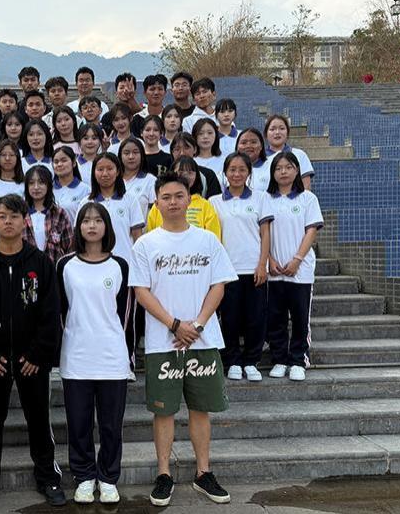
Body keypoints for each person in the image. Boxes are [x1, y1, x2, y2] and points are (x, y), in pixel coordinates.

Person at [129, 170, 237, 507]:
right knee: (163, 411)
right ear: (156, 203)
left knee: (201, 409)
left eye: (179, 196)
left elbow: (219, 285)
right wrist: (175, 324)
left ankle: (204, 472)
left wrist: (198, 325)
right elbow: (141, 292)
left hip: (203, 341)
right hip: (164, 343)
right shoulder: (146, 244)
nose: (173, 202)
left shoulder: (207, 240)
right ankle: (164, 474)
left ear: (190, 199)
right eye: (166, 197)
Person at [0, 194, 65, 510]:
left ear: (24, 221)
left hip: (31, 360)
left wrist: (37, 354)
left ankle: (48, 477)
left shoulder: (40, 263)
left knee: (39, 420)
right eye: (2, 216)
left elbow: (51, 312)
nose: (8, 221)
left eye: (14, 216)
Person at [57, 202, 131, 505]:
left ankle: (109, 478)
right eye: (86, 220)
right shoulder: (65, 265)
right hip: (76, 357)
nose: (91, 225)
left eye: (98, 220)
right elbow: (60, 310)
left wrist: (126, 353)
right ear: (78, 227)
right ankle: (85, 477)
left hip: (112, 356)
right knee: (79, 423)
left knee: (111, 425)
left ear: (106, 226)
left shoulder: (120, 265)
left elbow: (126, 315)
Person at [209, 153, 273, 382]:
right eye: (232, 170)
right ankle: (233, 361)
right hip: (227, 271)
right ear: (225, 173)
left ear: (249, 173)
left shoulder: (260, 198)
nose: (236, 174)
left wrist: (263, 264)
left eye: (242, 170)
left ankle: (251, 361)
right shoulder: (214, 201)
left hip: (253, 268)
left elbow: (265, 233)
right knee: (230, 318)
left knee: (256, 317)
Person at [266, 152, 323, 382]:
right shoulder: (265, 199)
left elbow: (311, 231)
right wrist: (269, 260)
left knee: (300, 317)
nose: (283, 172)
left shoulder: (307, 198)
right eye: (278, 168)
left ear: (297, 170)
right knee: (275, 318)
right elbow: (262, 233)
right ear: (272, 173)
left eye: (288, 167)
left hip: (301, 270)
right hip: (274, 271)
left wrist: (297, 260)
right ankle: (279, 359)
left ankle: (299, 359)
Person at [78, 153, 145, 270]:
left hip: (126, 264)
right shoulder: (86, 202)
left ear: (118, 171)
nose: (105, 174)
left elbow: (137, 236)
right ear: (94, 172)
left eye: (110, 169)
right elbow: (79, 236)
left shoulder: (130, 200)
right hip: (94, 266)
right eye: (100, 169)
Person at [147, 158, 221, 239]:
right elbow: (150, 236)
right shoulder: (159, 205)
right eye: (181, 172)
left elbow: (213, 238)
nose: (185, 176)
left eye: (190, 173)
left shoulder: (205, 206)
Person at [22, 165, 73, 264]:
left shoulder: (59, 213)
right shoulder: (20, 213)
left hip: (53, 269)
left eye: (41, 182)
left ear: (49, 185)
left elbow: (69, 248)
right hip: (26, 268)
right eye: (31, 183)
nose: (36, 187)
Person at [264, 114, 314, 191]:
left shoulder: (300, 155)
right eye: (272, 129)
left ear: (287, 132)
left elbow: (306, 186)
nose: (277, 132)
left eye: (282, 128)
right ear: (266, 134)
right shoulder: (259, 159)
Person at [169, 133, 222, 198]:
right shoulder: (166, 175)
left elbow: (214, 200)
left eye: (186, 148)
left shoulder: (208, 175)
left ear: (195, 149)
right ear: (172, 152)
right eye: (177, 149)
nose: (182, 153)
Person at [119, 137, 156, 221]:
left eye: (135, 152)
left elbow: (155, 213)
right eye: (126, 153)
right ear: (120, 156)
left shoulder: (150, 181)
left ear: (142, 155)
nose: (131, 157)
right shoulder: (113, 180)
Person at [52, 146, 90, 223]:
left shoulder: (85, 190)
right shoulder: (48, 189)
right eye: (56, 162)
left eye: (64, 160)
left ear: (74, 163)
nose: (59, 164)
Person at [192, 119, 224, 186]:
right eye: (200, 133)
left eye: (210, 133)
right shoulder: (191, 160)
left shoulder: (224, 160)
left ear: (216, 135)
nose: (205, 137)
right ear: (195, 136)